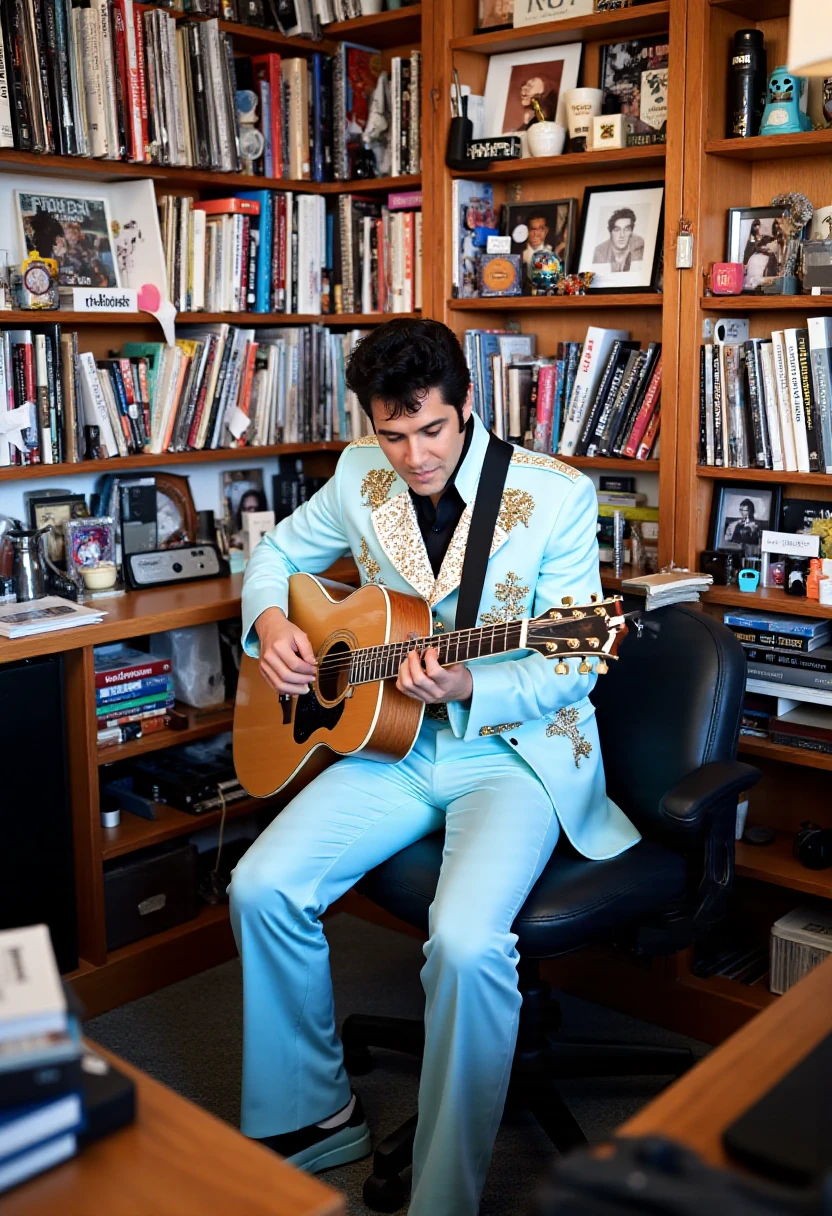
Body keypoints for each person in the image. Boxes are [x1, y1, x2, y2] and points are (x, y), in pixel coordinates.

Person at [231, 318, 640, 1216]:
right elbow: (273, 557)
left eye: (432, 430)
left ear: (466, 408)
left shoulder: (558, 495)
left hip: (514, 755)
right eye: (392, 432)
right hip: (396, 744)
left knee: (462, 941)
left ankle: (444, 1197)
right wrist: (272, 625)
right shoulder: (356, 472)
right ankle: (317, 1112)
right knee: (261, 884)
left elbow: (574, 660)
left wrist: (468, 679)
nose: (413, 455)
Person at [592, 207, 645, 272]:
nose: (622, 235)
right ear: (610, 231)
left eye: (626, 229)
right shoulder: (599, 253)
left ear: (631, 231)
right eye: (617, 230)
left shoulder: (641, 248)